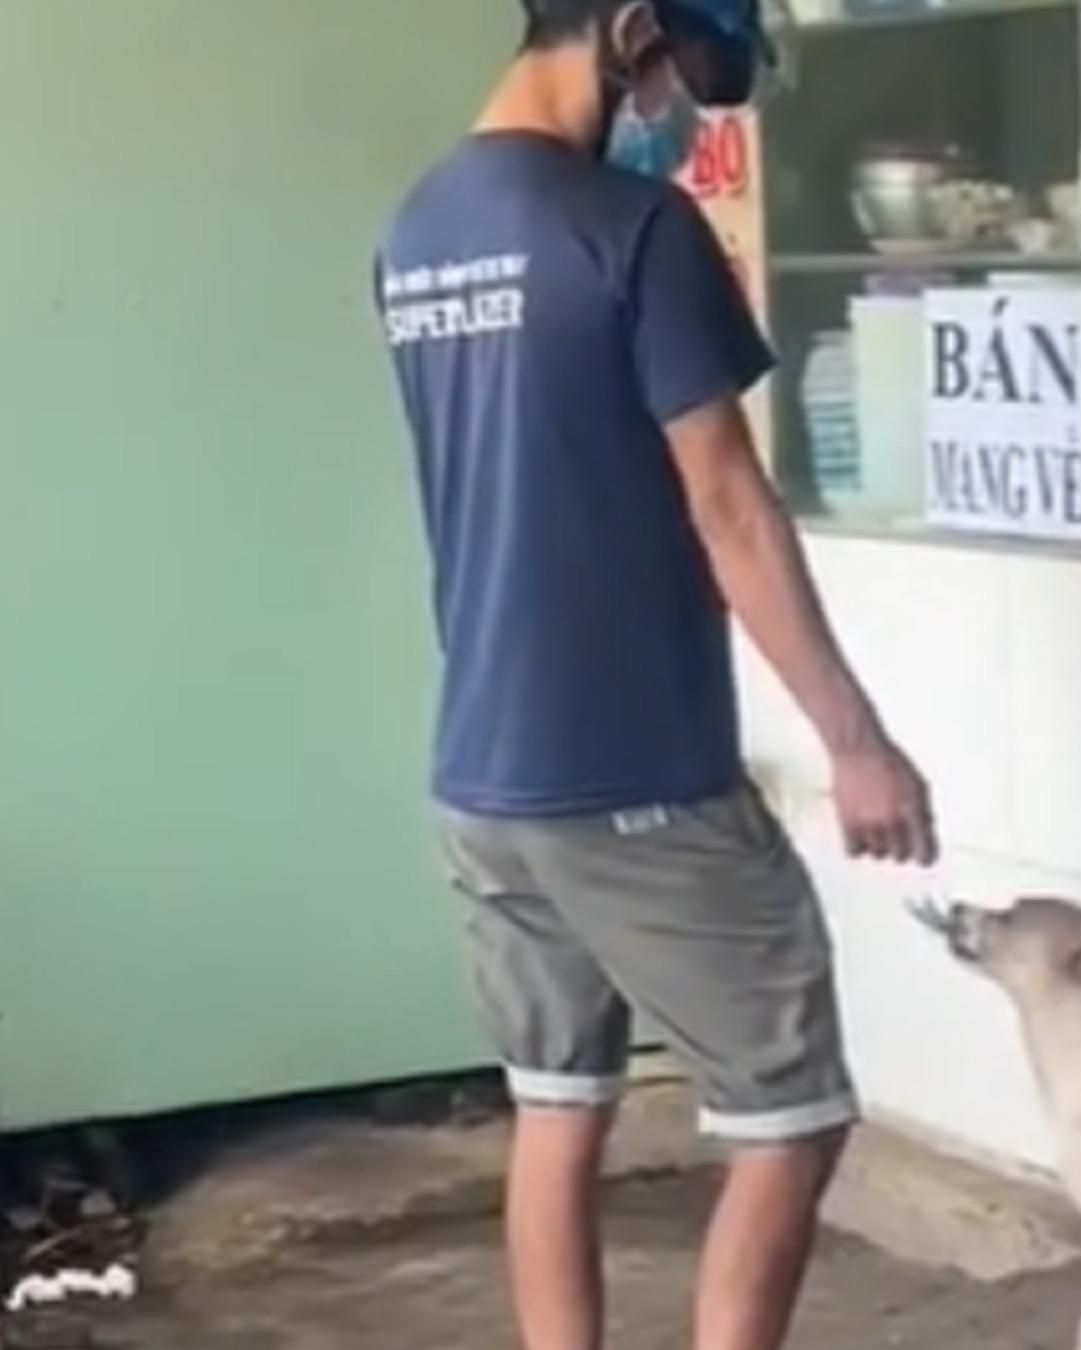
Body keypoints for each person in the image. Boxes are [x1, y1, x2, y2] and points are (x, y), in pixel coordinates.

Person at [373, 3, 937, 1348]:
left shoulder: (416, 228)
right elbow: (731, 510)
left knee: (557, 1102)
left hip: (484, 774)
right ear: (632, 29)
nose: (688, 108)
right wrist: (855, 739)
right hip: (635, 774)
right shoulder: (631, 231)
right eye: (696, 70)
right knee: (789, 1112)